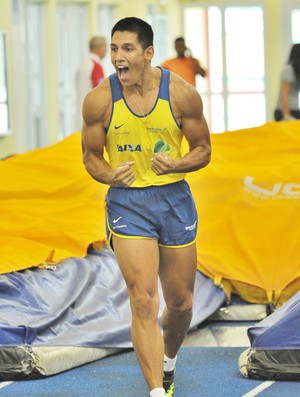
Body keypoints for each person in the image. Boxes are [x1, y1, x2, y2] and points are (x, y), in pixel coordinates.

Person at [81, 17, 211, 397]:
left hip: (173, 199)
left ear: (148, 53)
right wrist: (108, 176)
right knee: (142, 299)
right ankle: (157, 391)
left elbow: (203, 150)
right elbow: (90, 156)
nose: (118, 58)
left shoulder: (182, 94)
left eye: (128, 49)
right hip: (128, 202)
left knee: (182, 303)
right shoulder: (99, 101)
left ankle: (168, 361)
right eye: (115, 48)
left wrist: (178, 164)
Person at [76, 35, 107, 114]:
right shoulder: (95, 65)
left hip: (82, 109)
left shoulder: (84, 64)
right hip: (91, 112)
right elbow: (99, 92)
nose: (106, 50)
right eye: (105, 46)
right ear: (98, 47)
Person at [274, 43, 300, 121]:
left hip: (295, 109)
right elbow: (284, 94)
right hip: (283, 111)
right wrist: (286, 115)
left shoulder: (297, 71)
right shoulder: (288, 70)